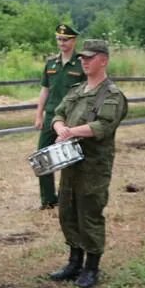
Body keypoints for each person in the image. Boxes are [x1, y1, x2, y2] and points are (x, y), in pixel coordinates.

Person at [49, 40, 128, 288]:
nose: (83, 61)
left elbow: (103, 125)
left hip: (93, 165)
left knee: (89, 213)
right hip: (70, 163)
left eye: (89, 58)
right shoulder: (77, 90)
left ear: (103, 60)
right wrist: (61, 127)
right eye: (82, 57)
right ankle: (74, 261)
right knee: (67, 211)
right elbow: (58, 112)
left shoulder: (112, 95)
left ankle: (91, 267)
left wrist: (73, 131)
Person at [34, 24, 84, 209]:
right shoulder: (51, 63)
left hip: (72, 117)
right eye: (59, 39)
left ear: (74, 40)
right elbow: (45, 90)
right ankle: (48, 200)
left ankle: (71, 199)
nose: (62, 43)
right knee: (43, 157)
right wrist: (39, 114)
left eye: (66, 39)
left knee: (72, 159)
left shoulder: (81, 64)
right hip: (51, 116)